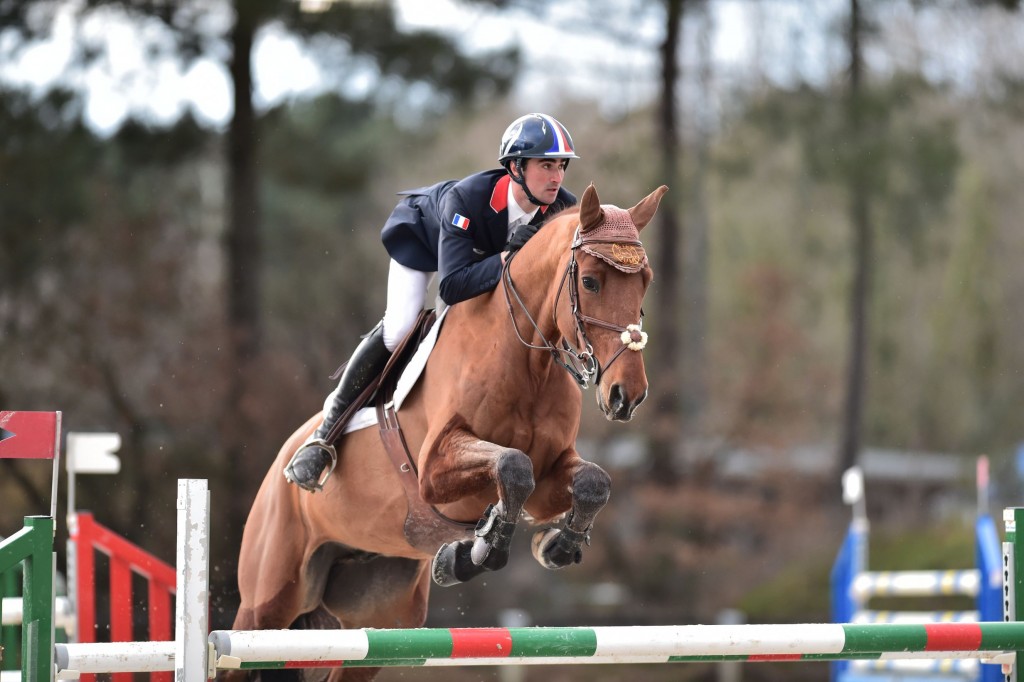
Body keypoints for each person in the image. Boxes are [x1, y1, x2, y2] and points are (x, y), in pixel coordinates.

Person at [284, 113, 580, 492]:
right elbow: (453, 286)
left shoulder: (561, 209)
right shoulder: (467, 199)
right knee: (401, 325)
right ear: (516, 168)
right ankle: (323, 437)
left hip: (484, 262)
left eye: (561, 166)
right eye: (545, 165)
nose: (556, 177)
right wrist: (507, 258)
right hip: (424, 244)